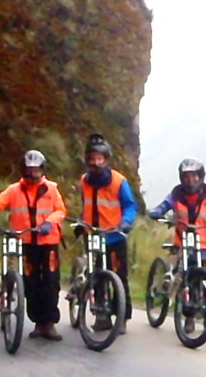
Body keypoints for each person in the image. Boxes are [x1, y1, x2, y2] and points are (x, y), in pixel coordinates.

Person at [0, 150, 67, 341]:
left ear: (42, 170)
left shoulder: (51, 189)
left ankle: (49, 324)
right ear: (23, 170)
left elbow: (60, 210)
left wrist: (49, 223)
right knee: (31, 284)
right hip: (25, 242)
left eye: (37, 170)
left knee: (51, 283)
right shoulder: (14, 190)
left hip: (48, 242)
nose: (33, 174)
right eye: (29, 170)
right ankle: (37, 323)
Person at [147, 157, 206, 333]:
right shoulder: (176, 195)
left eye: (194, 176)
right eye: (186, 177)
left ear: (201, 177)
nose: (190, 180)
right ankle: (188, 318)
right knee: (187, 280)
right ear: (181, 178)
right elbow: (164, 206)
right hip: (184, 242)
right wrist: (156, 212)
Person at [75, 133, 137, 334]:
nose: (96, 163)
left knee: (119, 277)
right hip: (91, 235)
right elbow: (86, 205)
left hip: (114, 236)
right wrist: (80, 223)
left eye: (99, 158)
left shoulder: (119, 181)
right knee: (97, 275)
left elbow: (129, 205)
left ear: (106, 159)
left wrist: (126, 223)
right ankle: (101, 316)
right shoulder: (84, 181)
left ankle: (121, 316)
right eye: (92, 159)